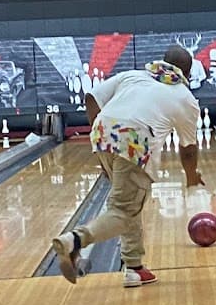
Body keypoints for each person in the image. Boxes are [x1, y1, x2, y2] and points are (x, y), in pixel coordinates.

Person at [52, 45, 203, 287]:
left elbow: (91, 97)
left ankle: (134, 267)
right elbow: (188, 149)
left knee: (129, 205)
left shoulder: (134, 75)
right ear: (187, 72)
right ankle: (74, 241)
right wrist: (191, 175)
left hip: (102, 133)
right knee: (123, 211)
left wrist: (103, 142)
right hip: (135, 141)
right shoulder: (185, 97)